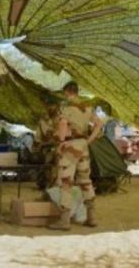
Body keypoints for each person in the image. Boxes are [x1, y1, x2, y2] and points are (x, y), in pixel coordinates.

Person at [48, 81, 102, 231]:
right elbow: (98, 124)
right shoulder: (87, 107)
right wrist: (88, 140)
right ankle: (91, 217)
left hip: (70, 146)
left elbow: (63, 124)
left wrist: (61, 142)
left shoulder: (66, 107)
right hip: (83, 146)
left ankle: (64, 221)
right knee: (85, 181)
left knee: (66, 181)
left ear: (67, 92)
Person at [33, 94, 60, 190]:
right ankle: (48, 186)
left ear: (57, 105)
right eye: (48, 105)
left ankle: (55, 187)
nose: (50, 107)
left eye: (52, 105)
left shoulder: (62, 118)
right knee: (48, 165)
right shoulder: (43, 120)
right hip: (47, 147)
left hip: (60, 147)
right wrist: (37, 146)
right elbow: (38, 135)